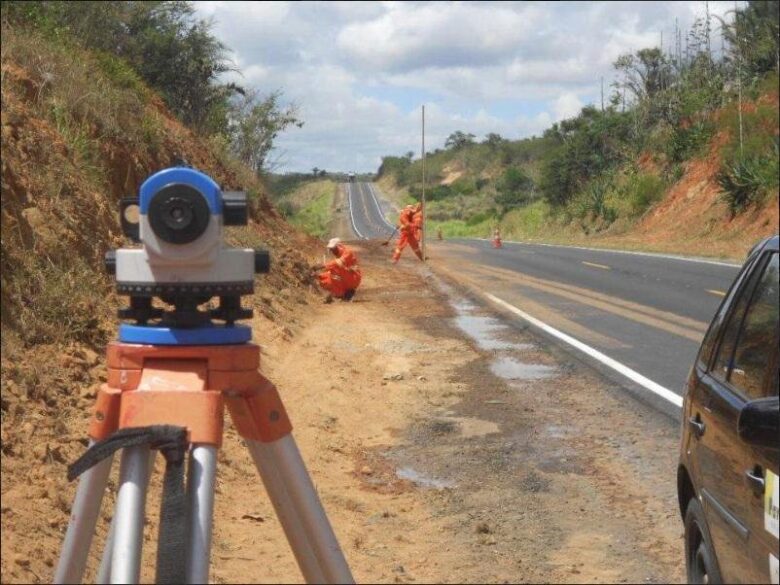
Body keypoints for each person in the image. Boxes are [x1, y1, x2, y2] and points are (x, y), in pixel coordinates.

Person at [316, 238, 362, 303]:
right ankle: (345, 292)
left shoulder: (347, 252)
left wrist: (322, 266)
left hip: (354, 277)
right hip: (348, 276)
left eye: (333, 249)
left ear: (339, 246)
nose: (332, 251)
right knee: (323, 277)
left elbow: (337, 263)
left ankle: (340, 293)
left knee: (334, 270)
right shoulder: (339, 255)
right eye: (331, 250)